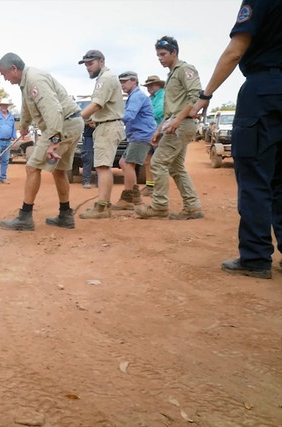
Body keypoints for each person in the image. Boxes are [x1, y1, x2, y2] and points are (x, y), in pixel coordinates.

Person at [190, 0, 281, 279]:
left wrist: (206, 94)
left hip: (263, 90)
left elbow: (236, 50)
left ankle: (255, 257)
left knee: (255, 177)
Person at [0, 52, 84, 231]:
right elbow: (27, 105)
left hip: (62, 125)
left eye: (4, 74)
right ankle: (65, 215)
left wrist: (54, 141)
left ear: (14, 69)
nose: (5, 79)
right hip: (72, 123)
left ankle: (25, 217)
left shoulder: (35, 81)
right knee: (59, 171)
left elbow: (54, 112)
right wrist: (25, 124)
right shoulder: (26, 81)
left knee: (32, 167)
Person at [135, 36, 204, 221]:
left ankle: (159, 206)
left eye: (163, 54)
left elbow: (196, 97)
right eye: (158, 55)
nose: (160, 58)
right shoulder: (172, 74)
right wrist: (159, 130)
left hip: (181, 124)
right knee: (176, 167)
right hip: (175, 123)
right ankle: (192, 206)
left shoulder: (185, 70)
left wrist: (178, 119)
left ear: (174, 52)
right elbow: (170, 109)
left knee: (157, 163)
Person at [76, 50, 126, 219]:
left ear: (101, 61)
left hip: (108, 126)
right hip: (106, 125)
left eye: (91, 64)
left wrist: (75, 118)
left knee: (103, 167)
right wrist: (91, 120)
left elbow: (97, 104)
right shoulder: (107, 77)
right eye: (86, 65)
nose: (88, 68)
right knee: (102, 166)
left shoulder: (105, 78)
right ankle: (103, 204)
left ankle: (103, 207)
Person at [112, 71, 155, 211]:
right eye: (121, 82)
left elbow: (128, 115)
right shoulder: (135, 96)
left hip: (141, 136)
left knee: (128, 164)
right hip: (138, 136)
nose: (122, 85)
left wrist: (110, 120)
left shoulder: (137, 96)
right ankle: (135, 197)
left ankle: (128, 199)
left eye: (125, 82)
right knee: (123, 163)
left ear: (134, 81)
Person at [141, 74, 166, 196]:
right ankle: (150, 186)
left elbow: (159, 111)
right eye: (148, 85)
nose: (149, 87)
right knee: (147, 160)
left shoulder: (162, 95)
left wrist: (143, 116)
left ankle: (159, 188)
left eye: (152, 85)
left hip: (160, 132)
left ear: (159, 85)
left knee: (157, 162)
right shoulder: (150, 98)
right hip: (150, 132)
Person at [81, 122, 95, 189]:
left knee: (101, 161)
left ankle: (100, 182)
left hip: (101, 137)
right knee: (88, 159)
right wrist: (88, 123)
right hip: (88, 137)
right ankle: (86, 181)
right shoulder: (85, 111)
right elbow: (80, 120)